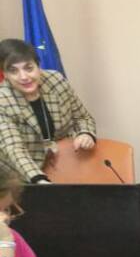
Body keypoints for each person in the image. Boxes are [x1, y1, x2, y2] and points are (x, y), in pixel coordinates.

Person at [0, 39, 97, 184]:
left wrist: (86, 134)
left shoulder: (55, 81)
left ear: (38, 66)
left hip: (64, 165)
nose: (24, 77)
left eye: (29, 68)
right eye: (14, 71)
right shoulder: (2, 100)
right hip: (19, 176)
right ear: (5, 75)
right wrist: (39, 180)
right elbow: (14, 148)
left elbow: (82, 118)